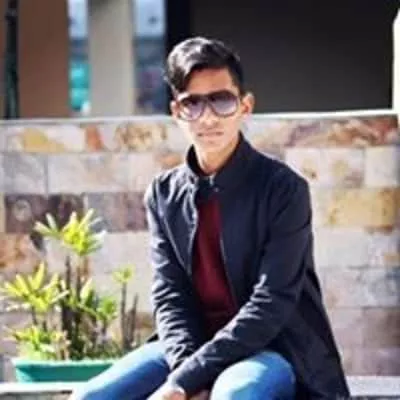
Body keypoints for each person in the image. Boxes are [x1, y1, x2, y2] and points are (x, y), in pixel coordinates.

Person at [70, 37, 350, 400]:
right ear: (176, 111)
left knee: (235, 394)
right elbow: (170, 296)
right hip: (190, 347)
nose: (208, 117)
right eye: (193, 103)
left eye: (222, 100)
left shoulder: (284, 190)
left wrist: (187, 379)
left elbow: (272, 302)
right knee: (89, 397)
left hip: (270, 348)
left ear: (245, 106)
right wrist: (187, 375)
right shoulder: (163, 194)